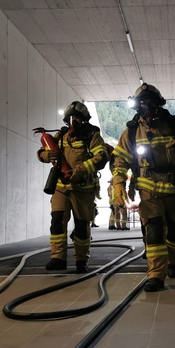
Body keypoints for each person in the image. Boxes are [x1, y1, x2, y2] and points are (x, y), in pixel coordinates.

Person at [112, 83, 175, 292]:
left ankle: (172, 261)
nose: (148, 107)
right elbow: (120, 160)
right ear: (137, 107)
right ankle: (155, 275)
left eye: (151, 102)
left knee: (174, 233)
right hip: (149, 192)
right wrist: (118, 183)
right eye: (143, 104)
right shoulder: (131, 132)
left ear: (159, 103)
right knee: (153, 232)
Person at [37, 101, 108, 273]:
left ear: (84, 119)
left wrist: (79, 170)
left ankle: (81, 260)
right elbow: (41, 152)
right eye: (70, 118)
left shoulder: (93, 136)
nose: (73, 121)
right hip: (61, 187)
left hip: (83, 189)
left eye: (77, 118)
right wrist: (47, 155)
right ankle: (57, 258)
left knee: (82, 225)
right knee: (57, 221)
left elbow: (101, 157)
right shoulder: (60, 136)